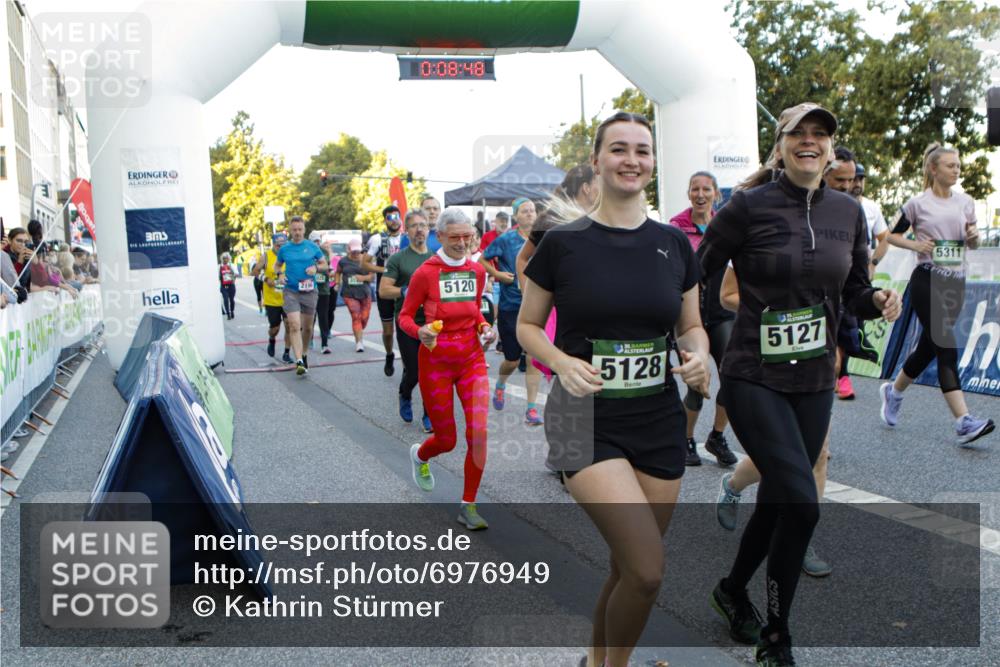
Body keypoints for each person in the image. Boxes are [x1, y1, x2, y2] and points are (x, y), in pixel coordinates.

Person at [698, 102, 901, 666]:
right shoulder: (747, 206)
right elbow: (698, 271)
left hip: (814, 378)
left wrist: (878, 299)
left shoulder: (848, 210)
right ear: (781, 144)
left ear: (831, 149)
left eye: (821, 135)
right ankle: (776, 636)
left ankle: (733, 590)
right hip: (752, 375)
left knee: (778, 500)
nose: (810, 142)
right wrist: (696, 334)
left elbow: (855, 290)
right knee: (804, 503)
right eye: (799, 134)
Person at [519, 112, 710, 667]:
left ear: (652, 163)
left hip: (658, 418)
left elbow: (690, 325)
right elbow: (527, 327)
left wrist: (697, 356)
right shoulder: (563, 243)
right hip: (583, 418)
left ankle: (597, 661)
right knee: (648, 570)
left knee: (627, 567)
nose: (632, 160)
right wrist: (559, 360)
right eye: (619, 149)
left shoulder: (673, 244)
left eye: (642, 151)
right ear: (598, 160)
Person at [715, 263, 836, 579]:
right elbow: (727, 295)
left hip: (812, 362)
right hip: (762, 363)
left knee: (817, 455)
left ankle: (800, 535)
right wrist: (772, 309)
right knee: (776, 459)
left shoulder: (832, 229)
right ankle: (733, 485)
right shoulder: (755, 225)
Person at [880, 142, 994, 446]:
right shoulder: (917, 203)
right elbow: (890, 235)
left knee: (928, 349)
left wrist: (973, 237)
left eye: (958, 166)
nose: (956, 170)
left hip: (956, 282)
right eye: (950, 165)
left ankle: (894, 392)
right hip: (927, 279)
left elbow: (973, 244)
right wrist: (916, 245)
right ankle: (963, 421)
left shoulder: (966, 202)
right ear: (934, 169)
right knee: (946, 345)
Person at [400, 208, 495, 530]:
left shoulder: (476, 270)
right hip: (436, 361)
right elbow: (405, 317)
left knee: (478, 435)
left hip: (471, 360)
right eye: (455, 237)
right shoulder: (425, 273)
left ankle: (469, 505)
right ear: (438, 237)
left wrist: (485, 327)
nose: (463, 243)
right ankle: (420, 456)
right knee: (447, 440)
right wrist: (420, 332)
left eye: (468, 236)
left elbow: (474, 311)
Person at [670, 170, 738, 468]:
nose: (700, 194)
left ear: (716, 194)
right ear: (688, 194)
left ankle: (717, 436)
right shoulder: (676, 227)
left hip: (721, 312)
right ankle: (686, 439)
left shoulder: (728, 225)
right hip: (688, 313)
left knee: (734, 379)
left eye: (706, 189)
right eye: (695, 189)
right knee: (696, 383)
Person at [480, 198, 544, 425]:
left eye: (533, 210)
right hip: (511, 307)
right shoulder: (506, 239)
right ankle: (500, 383)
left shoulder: (543, 238)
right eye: (525, 211)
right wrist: (497, 275)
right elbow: (482, 259)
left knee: (534, 358)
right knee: (513, 360)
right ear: (516, 216)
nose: (530, 214)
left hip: (538, 304)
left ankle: (531, 408)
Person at [381, 210, 435, 433]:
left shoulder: (436, 258)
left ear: (429, 229)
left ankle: (429, 415)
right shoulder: (398, 259)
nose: (419, 229)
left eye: (423, 225)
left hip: (432, 324)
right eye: (414, 226)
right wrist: (405, 290)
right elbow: (383, 290)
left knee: (430, 371)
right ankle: (405, 392)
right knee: (414, 370)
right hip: (408, 322)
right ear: (407, 230)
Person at [274, 216, 327, 376]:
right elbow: (277, 265)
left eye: (300, 229)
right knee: (294, 325)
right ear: (290, 231)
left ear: (304, 230)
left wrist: (316, 269)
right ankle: (298, 361)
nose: (297, 232)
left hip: (310, 291)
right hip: (291, 291)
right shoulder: (285, 249)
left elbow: (325, 264)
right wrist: (280, 275)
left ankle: (304, 353)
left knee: (308, 327)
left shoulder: (312, 247)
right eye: (294, 230)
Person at [363, 205, 405, 376]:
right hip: (385, 288)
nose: (394, 221)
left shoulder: (407, 238)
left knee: (404, 328)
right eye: (390, 218)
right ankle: (389, 354)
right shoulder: (377, 239)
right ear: (385, 220)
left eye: (396, 217)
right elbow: (364, 263)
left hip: (403, 287)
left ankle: (407, 364)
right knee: (388, 331)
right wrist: (384, 271)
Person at [253, 232, 293, 364]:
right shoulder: (266, 256)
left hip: (288, 298)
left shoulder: (290, 256)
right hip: (272, 299)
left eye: (283, 245)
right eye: (278, 246)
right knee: (275, 328)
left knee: (289, 325)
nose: (281, 248)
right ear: (273, 245)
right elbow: (255, 271)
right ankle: (272, 339)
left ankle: (287, 353)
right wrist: (265, 278)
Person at [337, 238, 375, 352]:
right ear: (349, 250)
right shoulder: (343, 261)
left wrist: (362, 278)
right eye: (353, 251)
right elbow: (338, 272)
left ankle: (358, 329)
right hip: (349, 293)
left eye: (357, 251)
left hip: (365, 293)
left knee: (364, 317)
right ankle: (359, 342)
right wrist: (337, 283)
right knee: (356, 316)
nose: (356, 253)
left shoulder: (366, 260)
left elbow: (372, 276)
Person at [315, 242, 336, 354]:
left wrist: (331, 272)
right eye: (314, 241)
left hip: (323, 291)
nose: (316, 243)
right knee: (310, 319)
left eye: (318, 241)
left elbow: (331, 269)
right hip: (308, 291)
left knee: (323, 317)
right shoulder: (306, 252)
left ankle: (324, 344)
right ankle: (308, 339)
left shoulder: (325, 253)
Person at [219, 253, 236, 320]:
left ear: (229, 259)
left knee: (231, 300)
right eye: (224, 258)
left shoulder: (232, 265)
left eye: (226, 258)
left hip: (231, 285)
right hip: (223, 286)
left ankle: (232, 311)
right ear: (222, 259)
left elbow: (236, 274)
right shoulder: (219, 266)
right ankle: (228, 314)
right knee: (226, 299)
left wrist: (232, 277)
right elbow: (218, 276)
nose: (225, 260)